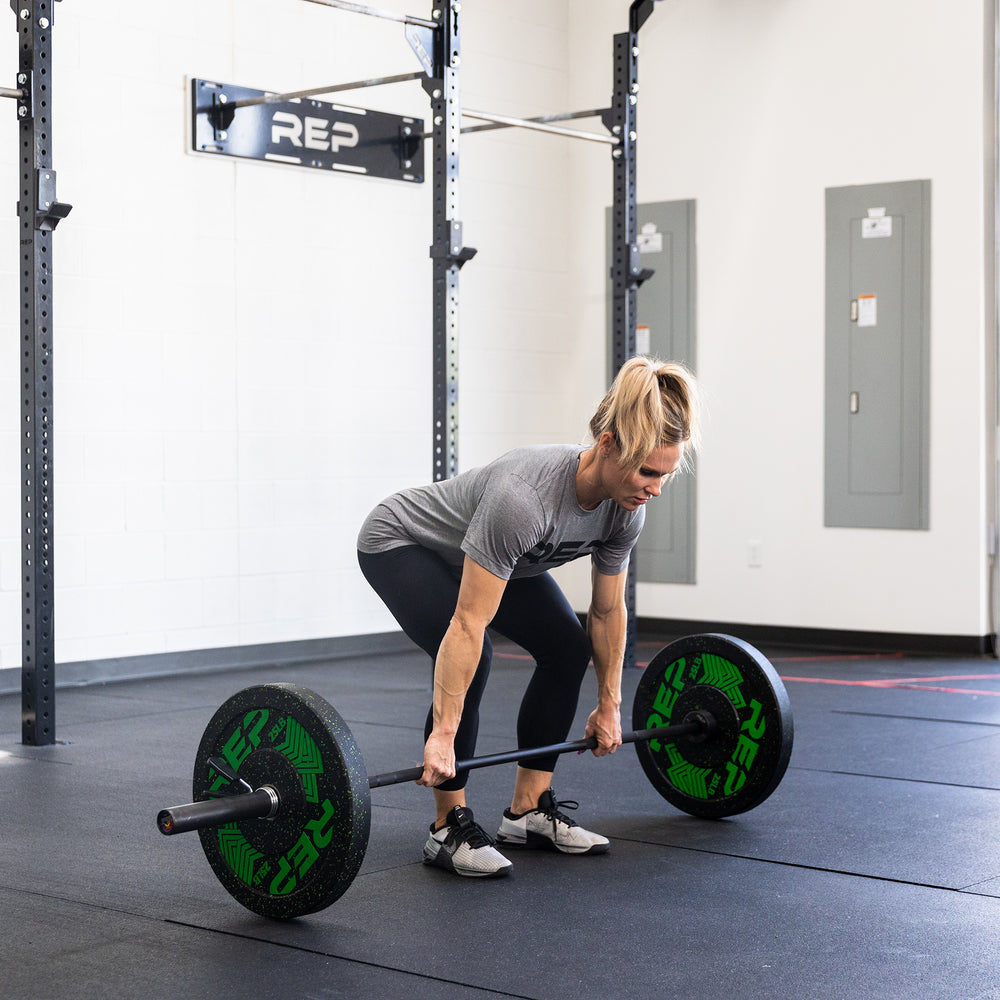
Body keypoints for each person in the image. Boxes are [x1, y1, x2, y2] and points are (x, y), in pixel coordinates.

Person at [356, 356, 700, 878]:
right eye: (647, 471)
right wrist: (443, 734)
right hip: (404, 542)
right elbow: (468, 624)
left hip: (496, 559)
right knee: (481, 654)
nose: (654, 487)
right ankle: (447, 828)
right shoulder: (527, 498)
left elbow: (607, 610)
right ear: (607, 445)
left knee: (566, 648)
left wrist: (609, 705)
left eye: (665, 475)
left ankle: (526, 812)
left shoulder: (626, 509)